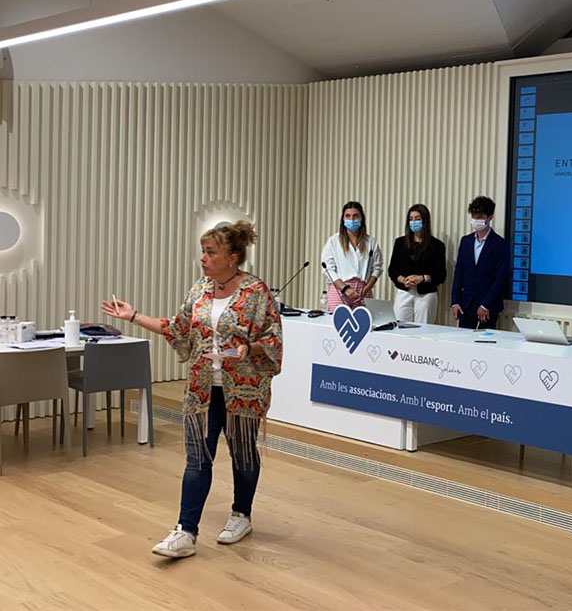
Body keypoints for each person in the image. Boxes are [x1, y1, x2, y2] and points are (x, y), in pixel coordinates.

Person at [100, 221, 282, 558]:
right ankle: (186, 530)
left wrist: (249, 348)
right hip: (202, 388)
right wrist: (134, 315)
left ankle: (241, 514)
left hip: (244, 390)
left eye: (211, 252)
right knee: (198, 458)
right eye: (203, 251)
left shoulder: (256, 292)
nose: (203, 258)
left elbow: (272, 339)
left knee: (243, 454)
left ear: (233, 256)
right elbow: (177, 328)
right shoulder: (200, 289)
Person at [451, 196, 509, 329]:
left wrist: (486, 305)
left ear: (490, 217)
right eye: (473, 216)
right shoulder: (466, 241)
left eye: (480, 217)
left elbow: (501, 278)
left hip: (487, 307)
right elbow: (459, 273)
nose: (476, 220)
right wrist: (455, 301)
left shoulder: (500, 244)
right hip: (465, 305)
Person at [387, 204, 447, 323]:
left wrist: (422, 278)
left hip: (426, 294)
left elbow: (441, 275)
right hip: (404, 292)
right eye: (411, 219)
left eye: (417, 219)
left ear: (425, 221)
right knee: (400, 327)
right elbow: (392, 270)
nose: (413, 222)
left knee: (423, 328)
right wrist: (403, 280)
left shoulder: (437, 245)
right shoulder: (400, 243)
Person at [321, 201, 383, 311]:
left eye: (355, 216)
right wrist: (344, 288)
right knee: (339, 320)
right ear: (343, 219)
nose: (352, 219)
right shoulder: (334, 241)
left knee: (363, 321)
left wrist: (367, 288)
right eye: (348, 216)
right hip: (340, 290)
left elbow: (377, 268)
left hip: (363, 290)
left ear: (361, 218)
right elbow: (328, 269)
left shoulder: (371, 242)